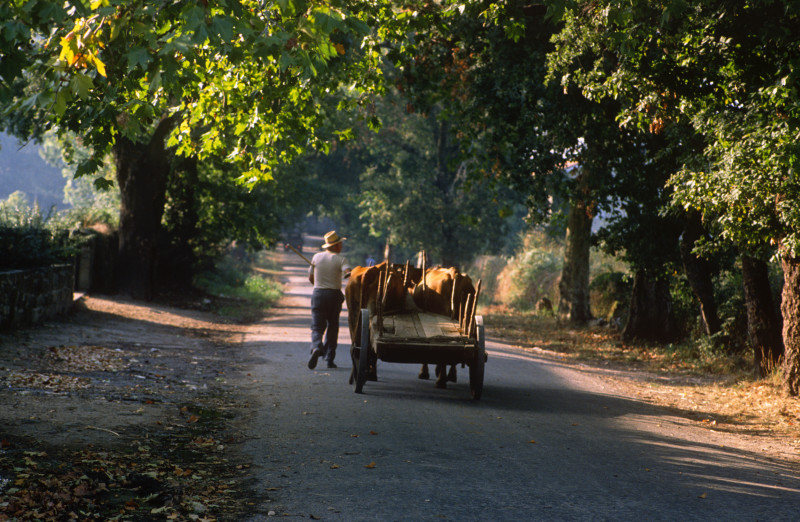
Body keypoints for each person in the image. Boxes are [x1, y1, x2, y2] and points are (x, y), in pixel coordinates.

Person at [307, 230, 350, 369]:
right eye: (340, 244)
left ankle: (316, 347)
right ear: (336, 245)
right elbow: (348, 272)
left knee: (317, 326)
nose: (341, 246)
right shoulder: (341, 259)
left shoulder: (316, 257)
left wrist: (319, 287)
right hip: (334, 295)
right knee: (333, 326)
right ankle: (329, 359)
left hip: (318, 293)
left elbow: (310, 277)